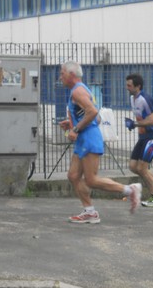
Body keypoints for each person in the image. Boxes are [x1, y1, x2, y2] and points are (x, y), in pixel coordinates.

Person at [59, 60, 141, 223]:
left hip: (89, 139)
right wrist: (72, 124)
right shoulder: (78, 91)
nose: (60, 77)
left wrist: (75, 130)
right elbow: (95, 117)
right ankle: (89, 211)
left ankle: (130, 190)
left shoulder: (78, 91)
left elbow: (92, 112)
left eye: (62, 73)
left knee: (91, 179)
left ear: (72, 75)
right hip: (84, 138)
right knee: (74, 175)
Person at [125, 73, 153, 207]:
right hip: (143, 137)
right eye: (126, 85)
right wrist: (134, 124)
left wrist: (135, 124)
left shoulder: (145, 99)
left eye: (129, 85)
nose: (127, 87)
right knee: (133, 167)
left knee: (142, 168)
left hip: (152, 137)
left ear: (138, 86)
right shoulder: (133, 99)